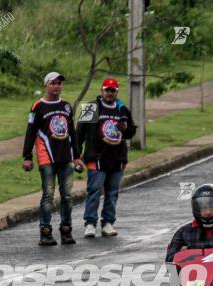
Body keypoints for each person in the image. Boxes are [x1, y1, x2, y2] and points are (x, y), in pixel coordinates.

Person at [22, 72, 83, 246]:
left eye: (59, 83)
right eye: (53, 83)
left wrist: (77, 156)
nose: (57, 86)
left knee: (67, 196)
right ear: (46, 85)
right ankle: (45, 232)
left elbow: (72, 132)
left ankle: (66, 230)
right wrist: (27, 156)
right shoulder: (37, 106)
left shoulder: (66, 106)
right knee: (48, 195)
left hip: (66, 158)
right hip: (46, 157)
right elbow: (30, 132)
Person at [76, 77, 136, 238]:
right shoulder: (91, 107)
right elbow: (79, 133)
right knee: (94, 190)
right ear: (101, 91)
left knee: (112, 192)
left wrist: (124, 128)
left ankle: (108, 223)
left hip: (117, 158)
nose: (109, 93)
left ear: (116, 92)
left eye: (113, 91)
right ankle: (90, 223)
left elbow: (131, 132)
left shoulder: (122, 109)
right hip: (96, 157)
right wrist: (76, 154)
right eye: (107, 90)